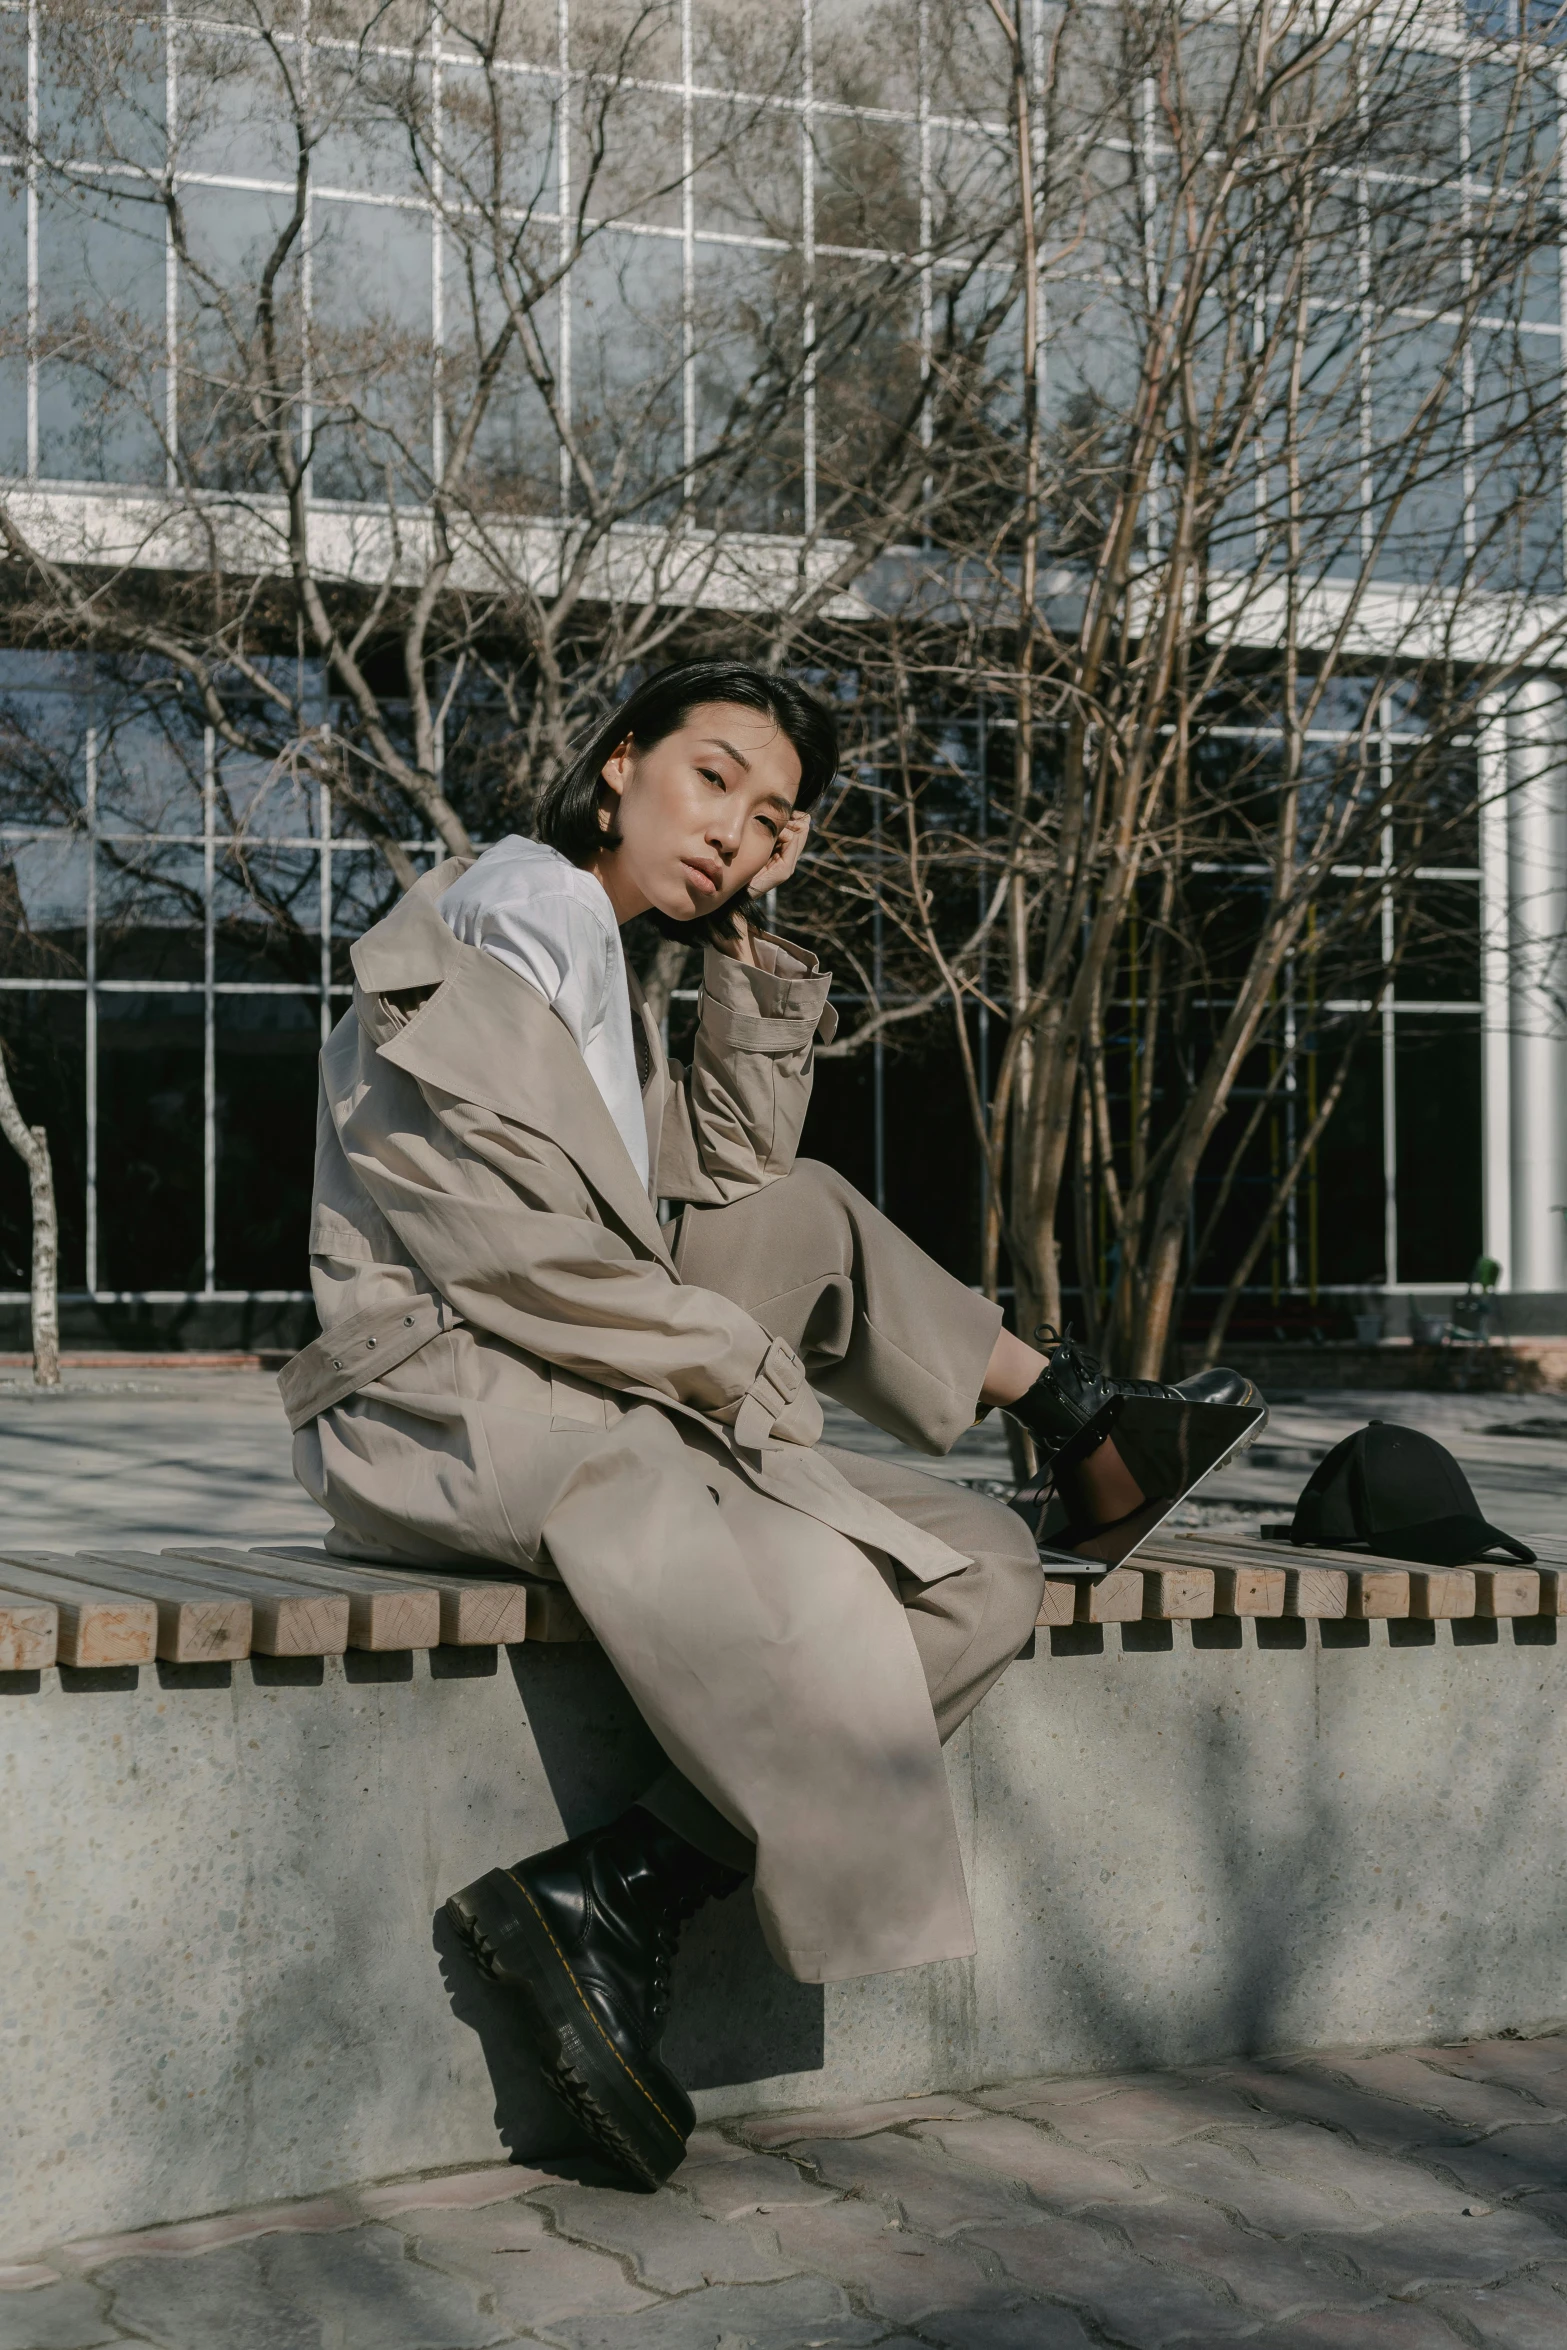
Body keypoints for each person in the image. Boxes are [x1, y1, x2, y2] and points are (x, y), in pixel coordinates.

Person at [281, 659, 1259, 2189]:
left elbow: (732, 1178)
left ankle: (613, 1888)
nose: (735, 826)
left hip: (592, 1376)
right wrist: (736, 1370)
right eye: (713, 777)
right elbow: (508, 1258)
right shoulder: (502, 924)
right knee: (929, 1569)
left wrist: (741, 942)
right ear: (617, 765)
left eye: (774, 815)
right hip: (458, 1399)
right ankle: (1078, 1419)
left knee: (987, 1561)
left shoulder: (608, 956)